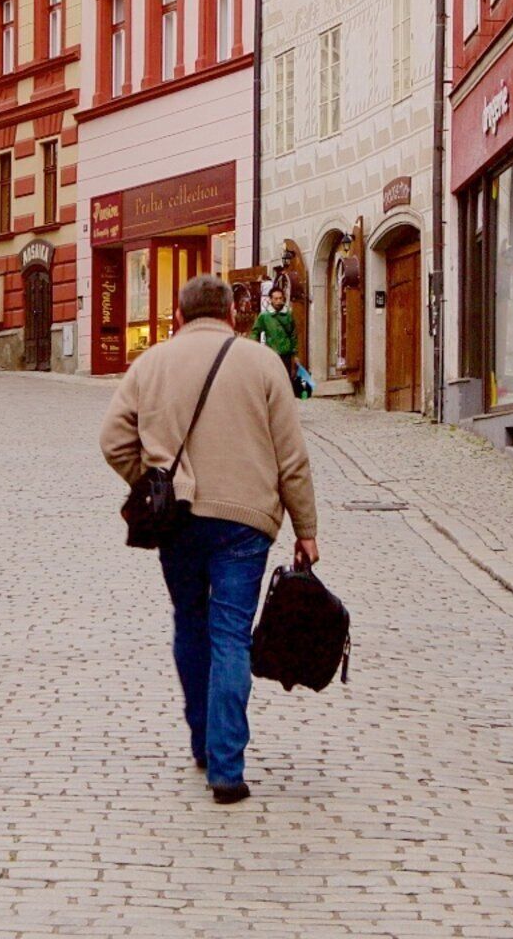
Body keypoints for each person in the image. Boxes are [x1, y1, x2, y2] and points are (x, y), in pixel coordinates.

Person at [99, 271, 317, 805]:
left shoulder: (150, 363)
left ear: (178, 316)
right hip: (245, 521)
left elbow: (112, 441)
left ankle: (201, 740)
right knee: (230, 635)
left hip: (179, 520)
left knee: (190, 623)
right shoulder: (263, 364)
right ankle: (227, 767)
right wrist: (306, 530)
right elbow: (291, 458)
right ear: (231, 315)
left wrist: (151, 484)